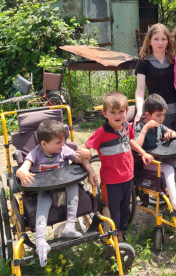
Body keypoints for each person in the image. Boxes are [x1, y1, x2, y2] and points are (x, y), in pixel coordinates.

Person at [16, 120, 97, 267]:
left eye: (63, 141)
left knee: (73, 187)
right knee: (44, 199)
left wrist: (90, 169)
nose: (62, 144)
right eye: (58, 142)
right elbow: (23, 167)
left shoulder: (64, 150)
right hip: (45, 187)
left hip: (65, 183)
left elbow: (81, 158)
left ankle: (69, 227)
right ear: (44, 144)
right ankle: (40, 239)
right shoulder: (36, 153)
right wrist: (21, 171)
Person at [85, 91, 153, 242]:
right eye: (112, 112)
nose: (117, 115)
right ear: (104, 113)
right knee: (112, 210)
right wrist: (89, 170)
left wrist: (143, 153)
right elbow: (84, 150)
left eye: (121, 111)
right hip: (111, 181)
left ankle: (121, 229)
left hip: (127, 176)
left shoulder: (126, 126)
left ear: (127, 111)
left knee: (125, 207)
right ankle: (115, 235)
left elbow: (131, 141)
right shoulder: (101, 133)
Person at [134, 23, 176, 133]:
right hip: (157, 116)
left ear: (168, 41)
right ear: (149, 41)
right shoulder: (143, 62)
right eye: (156, 39)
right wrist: (139, 111)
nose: (160, 43)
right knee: (160, 149)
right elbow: (140, 89)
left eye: (163, 39)